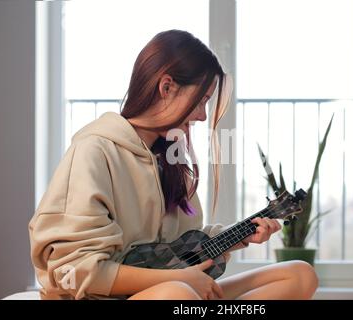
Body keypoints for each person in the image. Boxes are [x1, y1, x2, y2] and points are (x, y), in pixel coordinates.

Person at [29, 29, 318, 300]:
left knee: (299, 275)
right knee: (177, 295)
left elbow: (178, 250)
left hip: (174, 289)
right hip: (118, 295)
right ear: (167, 87)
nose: (203, 116)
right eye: (200, 101)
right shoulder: (94, 151)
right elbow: (76, 271)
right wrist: (180, 281)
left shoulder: (171, 160)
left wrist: (239, 237)